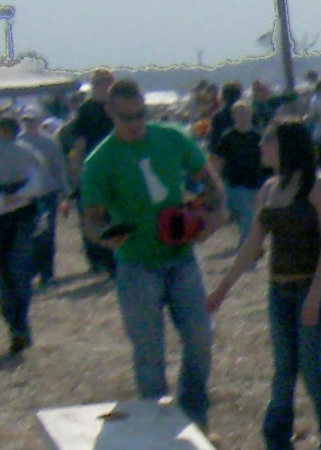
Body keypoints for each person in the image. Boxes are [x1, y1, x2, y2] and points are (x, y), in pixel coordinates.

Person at [207, 119, 321, 450]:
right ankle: (278, 446)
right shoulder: (269, 189)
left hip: (310, 287)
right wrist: (220, 291)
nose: (261, 148)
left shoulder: (319, 186)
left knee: (310, 367)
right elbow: (252, 247)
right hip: (280, 289)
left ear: (286, 145)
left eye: (268, 142)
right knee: (283, 370)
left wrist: (315, 295)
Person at [78, 80, 227, 426]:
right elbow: (91, 221)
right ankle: (158, 429)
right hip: (136, 265)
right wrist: (109, 237)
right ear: (110, 114)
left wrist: (215, 214)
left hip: (181, 258)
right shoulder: (99, 161)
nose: (135, 123)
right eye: (126, 117)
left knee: (200, 338)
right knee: (149, 354)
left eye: (140, 114)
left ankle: (194, 417)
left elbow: (208, 179)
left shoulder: (172, 137)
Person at [0, 114, 51, 354]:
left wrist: (6, 199)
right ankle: (17, 324)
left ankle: (18, 325)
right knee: (5, 277)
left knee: (17, 272)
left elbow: (36, 183)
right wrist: (4, 199)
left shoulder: (23, 153)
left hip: (20, 217)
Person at [59, 68, 120, 275]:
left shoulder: (117, 106)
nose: (104, 86)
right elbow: (80, 141)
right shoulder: (87, 110)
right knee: (94, 215)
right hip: (94, 168)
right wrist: (76, 170)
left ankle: (116, 257)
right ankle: (100, 259)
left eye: (107, 81)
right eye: (100, 82)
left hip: (118, 166)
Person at [15, 109, 68, 287]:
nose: (29, 123)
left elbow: (58, 167)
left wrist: (65, 190)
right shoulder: (18, 142)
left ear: (39, 121)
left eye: (32, 120)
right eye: (26, 120)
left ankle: (47, 273)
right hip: (27, 196)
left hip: (47, 193)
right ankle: (29, 273)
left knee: (47, 234)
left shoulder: (49, 142)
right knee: (27, 236)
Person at [210, 100, 266, 246]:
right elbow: (218, 160)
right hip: (235, 183)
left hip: (255, 182)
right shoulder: (228, 137)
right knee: (247, 215)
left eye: (245, 113)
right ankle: (247, 247)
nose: (242, 116)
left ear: (251, 114)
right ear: (233, 116)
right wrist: (214, 181)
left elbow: (267, 159)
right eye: (238, 113)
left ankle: (251, 244)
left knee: (253, 217)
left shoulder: (257, 137)